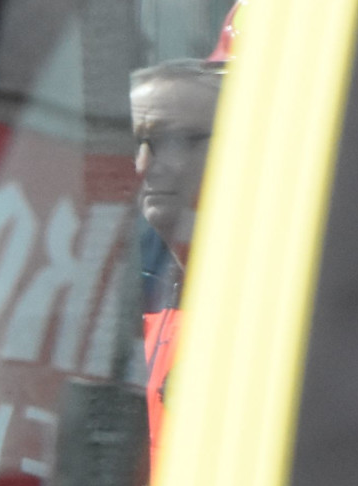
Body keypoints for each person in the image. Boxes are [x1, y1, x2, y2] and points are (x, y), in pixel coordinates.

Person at [132, 55, 221, 451]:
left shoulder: (295, 312)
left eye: (174, 140)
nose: (143, 165)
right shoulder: (136, 313)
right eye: (135, 143)